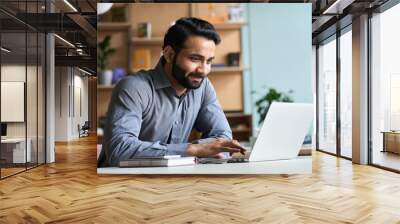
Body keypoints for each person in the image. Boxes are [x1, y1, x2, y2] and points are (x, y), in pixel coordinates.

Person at [98, 17, 246, 167]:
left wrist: (203, 150)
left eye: (209, 61)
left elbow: (222, 137)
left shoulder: (203, 86)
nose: (204, 70)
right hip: (119, 182)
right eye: (195, 59)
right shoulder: (133, 87)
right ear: (169, 54)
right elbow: (119, 150)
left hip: (171, 180)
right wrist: (193, 149)